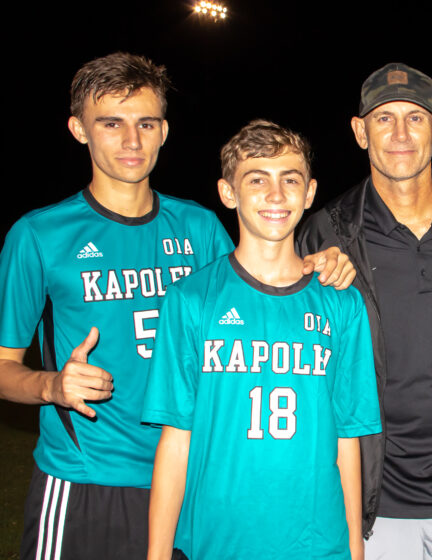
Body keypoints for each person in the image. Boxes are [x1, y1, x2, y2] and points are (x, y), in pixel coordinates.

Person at [0, 53, 351, 560]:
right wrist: (50, 385)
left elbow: (259, 286)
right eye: (111, 124)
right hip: (90, 479)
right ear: (79, 130)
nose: (131, 141)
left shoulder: (198, 227)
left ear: (164, 131)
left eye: (146, 123)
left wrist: (319, 264)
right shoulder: (39, 236)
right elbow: (5, 369)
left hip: (193, 476)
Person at [298, 62, 432, 559]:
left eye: (415, 118)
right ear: (359, 131)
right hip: (375, 500)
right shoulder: (325, 234)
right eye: (383, 118)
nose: (400, 134)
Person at [142, 120, 381, 560]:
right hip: (216, 541)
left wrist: (354, 549)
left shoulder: (342, 305)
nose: (276, 195)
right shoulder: (191, 299)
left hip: (316, 544)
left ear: (309, 193)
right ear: (228, 193)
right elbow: (176, 439)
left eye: (290, 180)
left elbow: (348, 441)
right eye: (257, 180)